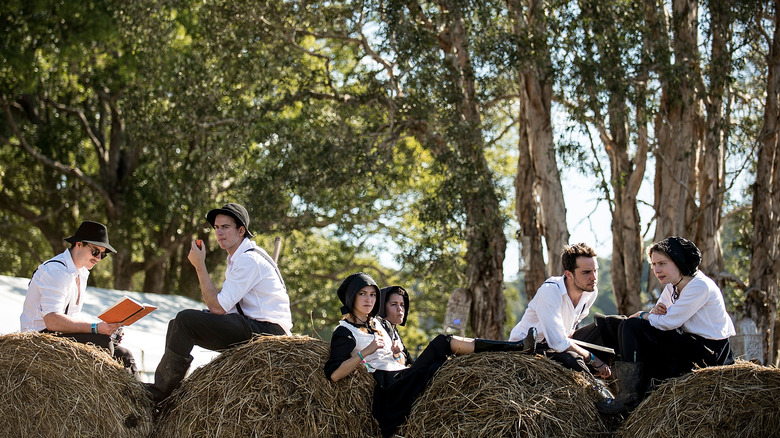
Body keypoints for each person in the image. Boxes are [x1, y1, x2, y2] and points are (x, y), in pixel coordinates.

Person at [324, 272, 534, 438]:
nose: (369, 299)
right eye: (362, 294)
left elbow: (394, 347)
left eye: (372, 294)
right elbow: (334, 374)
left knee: (445, 362)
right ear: (352, 296)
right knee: (442, 343)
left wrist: (398, 354)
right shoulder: (344, 331)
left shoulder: (379, 323)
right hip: (389, 386)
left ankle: (513, 348)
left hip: (402, 374)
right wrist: (364, 353)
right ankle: (514, 347)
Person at [146, 203, 293, 403]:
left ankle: (160, 393)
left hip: (268, 332)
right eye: (216, 227)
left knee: (185, 320)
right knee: (176, 325)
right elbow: (222, 309)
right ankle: (172, 391)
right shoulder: (236, 259)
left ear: (241, 231)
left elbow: (218, 308)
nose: (219, 232)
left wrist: (200, 266)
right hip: (251, 326)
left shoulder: (249, 260)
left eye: (225, 227)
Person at [597, 236, 736, 414]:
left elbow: (668, 322)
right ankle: (630, 392)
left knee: (633, 325)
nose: (657, 269)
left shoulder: (699, 286)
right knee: (624, 325)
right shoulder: (672, 287)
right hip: (689, 344)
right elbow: (658, 316)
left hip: (709, 353)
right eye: (654, 264)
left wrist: (644, 315)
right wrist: (649, 315)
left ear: (679, 261)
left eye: (662, 263)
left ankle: (629, 399)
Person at [20, 220, 139, 379]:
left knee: (125, 355)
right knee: (103, 343)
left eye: (102, 255)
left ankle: (145, 402)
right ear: (78, 244)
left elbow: (71, 319)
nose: (98, 258)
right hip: (38, 341)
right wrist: (97, 328)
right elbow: (52, 321)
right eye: (95, 251)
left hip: (57, 336)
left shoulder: (81, 273)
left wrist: (108, 329)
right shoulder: (56, 271)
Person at [508, 243, 611, 379]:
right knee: (573, 360)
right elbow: (557, 343)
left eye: (595, 270)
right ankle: (597, 392)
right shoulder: (550, 291)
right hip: (531, 347)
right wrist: (593, 358)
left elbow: (570, 332)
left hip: (560, 341)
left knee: (608, 325)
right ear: (569, 274)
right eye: (586, 272)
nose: (594, 278)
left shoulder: (590, 291)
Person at [378, 285, 413, 366]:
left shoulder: (395, 332)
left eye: (402, 305)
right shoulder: (377, 331)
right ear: (382, 307)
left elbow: (411, 363)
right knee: (441, 341)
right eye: (394, 304)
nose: (400, 308)